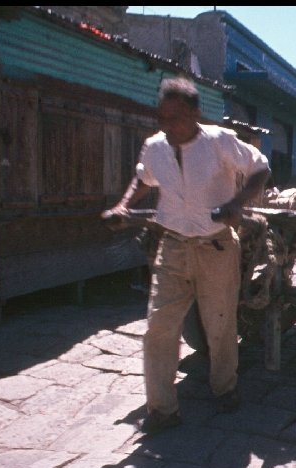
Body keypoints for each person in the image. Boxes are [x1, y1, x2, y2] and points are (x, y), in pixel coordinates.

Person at [101, 78, 270, 434]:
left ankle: (225, 387)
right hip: (173, 247)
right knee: (158, 328)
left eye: (175, 117)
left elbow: (261, 168)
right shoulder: (154, 146)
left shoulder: (219, 141)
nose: (167, 125)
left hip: (216, 248)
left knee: (220, 325)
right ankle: (162, 409)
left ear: (195, 113)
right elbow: (143, 179)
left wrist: (235, 204)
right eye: (162, 117)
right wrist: (123, 204)